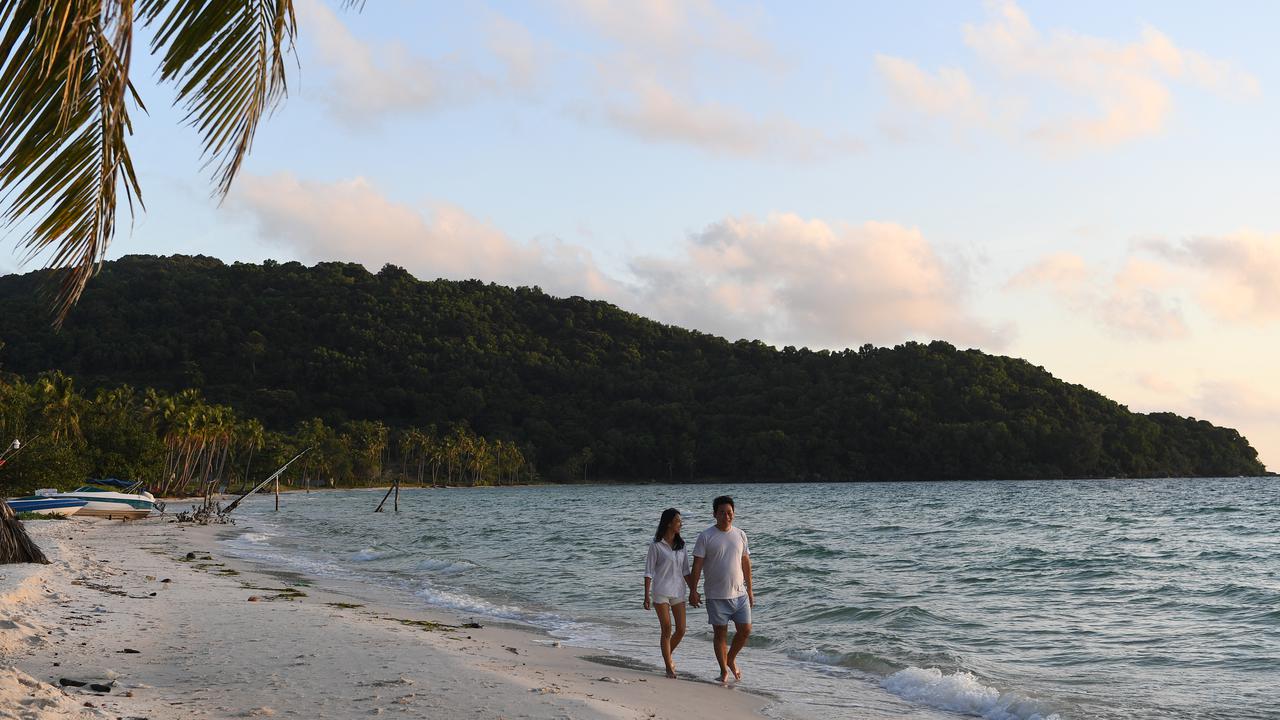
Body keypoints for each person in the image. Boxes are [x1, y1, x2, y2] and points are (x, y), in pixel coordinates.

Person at [688, 495, 753, 683]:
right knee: (720, 635)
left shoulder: (740, 534)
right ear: (714, 514)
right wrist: (693, 590)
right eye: (722, 513)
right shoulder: (706, 536)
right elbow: (697, 565)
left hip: (740, 594)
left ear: (734, 513)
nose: (726, 516)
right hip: (716, 595)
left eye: (729, 512)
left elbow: (745, 562)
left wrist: (750, 589)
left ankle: (730, 659)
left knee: (745, 630)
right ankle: (724, 670)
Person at [643, 507, 691, 678]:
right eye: (678, 521)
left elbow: (686, 571)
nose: (681, 524)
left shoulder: (681, 546)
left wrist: (694, 590)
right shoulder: (656, 545)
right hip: (661, 591)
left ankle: (667, 655)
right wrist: (646, 596)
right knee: (666, 628)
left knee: (681, 629)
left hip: (678, 591)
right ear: (669, 523)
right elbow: (649, 572)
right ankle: (668, 667)